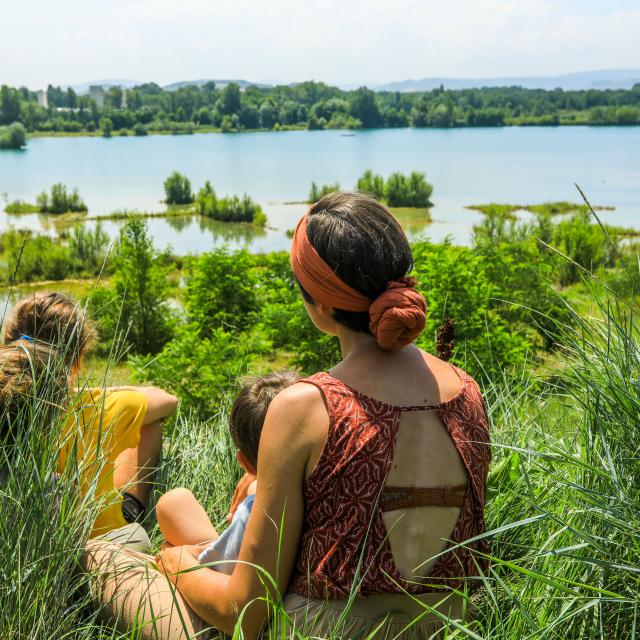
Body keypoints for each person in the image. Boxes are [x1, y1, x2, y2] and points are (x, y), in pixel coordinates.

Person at [83, 192, 491, 640]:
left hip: (321, 631)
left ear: (321, 303)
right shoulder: (466, 390)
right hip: (445, 626)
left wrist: (177, 565)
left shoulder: (307, 405)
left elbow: (248, 612)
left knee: (104, 558)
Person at [4, 292, 179, 535]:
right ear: (77, 359)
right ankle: (138, 512)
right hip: (102, 536)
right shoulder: (100, 404)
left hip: (24, 539)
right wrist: (89, 391)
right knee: (148, 424)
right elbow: (168, 401)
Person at [155, 372, 299, 574]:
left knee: (103, 552)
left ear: (245, 463)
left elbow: (218, 572)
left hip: (226, 584)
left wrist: (179, 558)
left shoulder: (256, 510)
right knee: (174, 501)